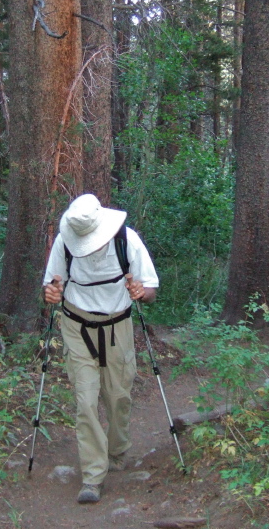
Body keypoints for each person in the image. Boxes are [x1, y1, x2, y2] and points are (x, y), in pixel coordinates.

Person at [43, 194, 159, 504]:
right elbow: (52, 284)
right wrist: (51, 293)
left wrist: (141, 292)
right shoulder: (65, 241)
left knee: (119, 396)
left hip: (117, 326)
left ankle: (117, 451)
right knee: (86, 400)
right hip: (76, 326)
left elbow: (151, 290)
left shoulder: (126, 240)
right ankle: (93, 476)